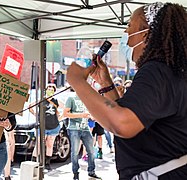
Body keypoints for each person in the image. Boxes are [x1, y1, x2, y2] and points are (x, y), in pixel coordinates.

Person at [66, 2, 187, 179]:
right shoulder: (171, 71)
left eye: (130, 25)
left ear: (146, 34)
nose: (126, 32)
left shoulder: (156, 71)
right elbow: (131, 114)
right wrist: (106, 84)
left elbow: (122, 124)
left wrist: (77, 81)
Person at [63, 88, 100, 180]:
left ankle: (91, 171)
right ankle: (75, 173)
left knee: (91, 151)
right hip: (74, 128)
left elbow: (90, 112)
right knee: (75, 152)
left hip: (85, 128)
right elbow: (65, 114)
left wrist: (92, 117)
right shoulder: (71, 98)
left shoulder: (87, 98)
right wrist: (81, 115)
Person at [30, 83, 61, 171]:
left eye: (52, 90)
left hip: (53, 126)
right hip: (42, 126)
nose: (50, 91)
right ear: (45, 90)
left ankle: (47, 163)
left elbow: (65, 109)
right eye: (49, 89)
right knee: (39, 144)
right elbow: (30, 107)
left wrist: (60, 117)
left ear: (54, 91)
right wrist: (37, 115)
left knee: (49, 145)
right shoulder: (41, 100)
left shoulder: (56, 101)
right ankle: (33, 162)